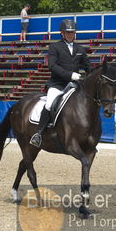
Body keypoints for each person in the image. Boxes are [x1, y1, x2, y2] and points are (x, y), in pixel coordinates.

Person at [29, 19, 91, 148]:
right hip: (58, 84)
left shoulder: (80, 49)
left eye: (72, 32)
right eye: (67, 32)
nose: (70, 34)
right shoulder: (54, 47)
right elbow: (52, 66)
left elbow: (88, 67)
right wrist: (70, 75)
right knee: (49, 104)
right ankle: (38, 134)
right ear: (62, 33)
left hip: (74, 87)